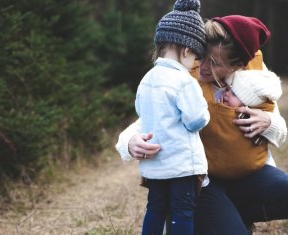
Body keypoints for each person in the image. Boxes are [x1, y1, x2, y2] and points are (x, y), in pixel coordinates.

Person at [116, 14, 288, 235]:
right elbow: (151, 117)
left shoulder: (255, 78)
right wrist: (129, 142)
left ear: (237, 65)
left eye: (215, 63)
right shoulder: (184, 76)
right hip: (203, 182)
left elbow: (281, 133)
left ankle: (235, 213)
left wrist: (269, 122)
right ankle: (222, 219)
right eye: (203, 57)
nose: (204, 67)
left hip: (249, 175)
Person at [134, 0, 209, 234]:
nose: (194, 64)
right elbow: (195, 120)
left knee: (155, 209)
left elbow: (140, 111)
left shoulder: (147, 79)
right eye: (194, 57)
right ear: (187, 50)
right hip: (181, 164)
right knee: (182, 212)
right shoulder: (184, 80)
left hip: (155, 164)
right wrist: (205, 111)